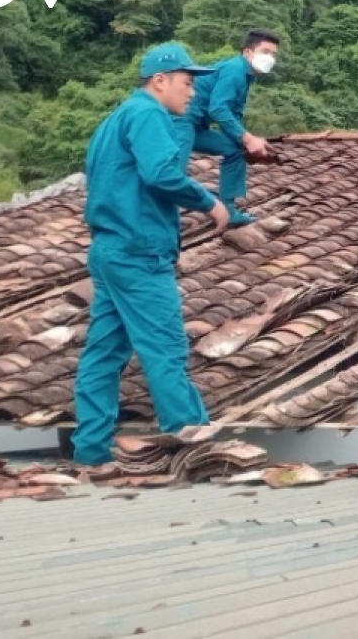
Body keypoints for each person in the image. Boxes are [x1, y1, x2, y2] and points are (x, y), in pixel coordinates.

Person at [71, 42, 230, 466]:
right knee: (165, 346)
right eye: (187, 82)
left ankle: (89, 449)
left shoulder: (113, 121)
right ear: (160, 81)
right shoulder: (148, 114)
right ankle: (194, 444)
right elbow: (161, 174)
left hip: (108, 250)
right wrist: (209, 201)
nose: (193, 93)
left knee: (104, 353)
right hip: (139, 251)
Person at [173, 28, 281, 227]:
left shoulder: (247, 76)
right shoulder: (235, 69)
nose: (270, 58)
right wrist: (248, 138)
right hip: (181, 121)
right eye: (265, 52)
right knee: (173, 174)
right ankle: (162, 215)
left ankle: (228, 209)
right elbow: (218, 108)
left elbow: (234, 114)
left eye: (273, 55)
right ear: (248, 52)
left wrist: (246, 141)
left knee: (234, 149)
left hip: (197, 126)